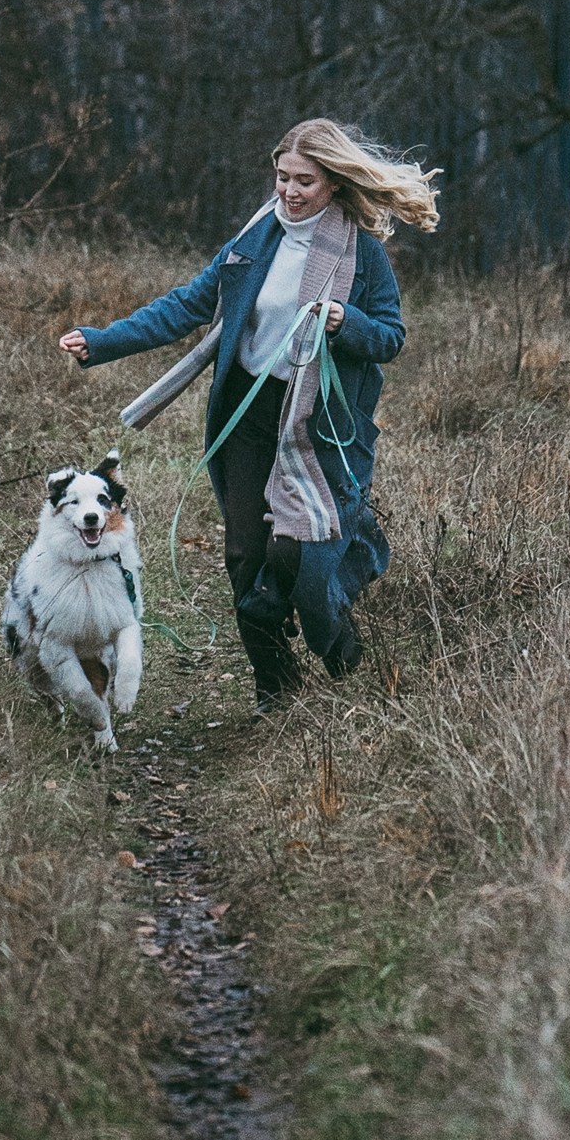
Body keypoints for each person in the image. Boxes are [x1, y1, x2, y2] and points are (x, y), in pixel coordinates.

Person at [59, 119, 439, 709]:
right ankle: (275, 688)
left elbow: (391, 336)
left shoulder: (362, 253)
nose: (288, 192)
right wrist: (102, 341)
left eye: (304, 182)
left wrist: (346, 322)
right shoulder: (255, 238)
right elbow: (189, 303)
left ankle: (345, 660)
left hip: (318, 426)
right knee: (244, 556)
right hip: (247, 413)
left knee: (298, 556)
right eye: (282, 177)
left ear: (334, 183)